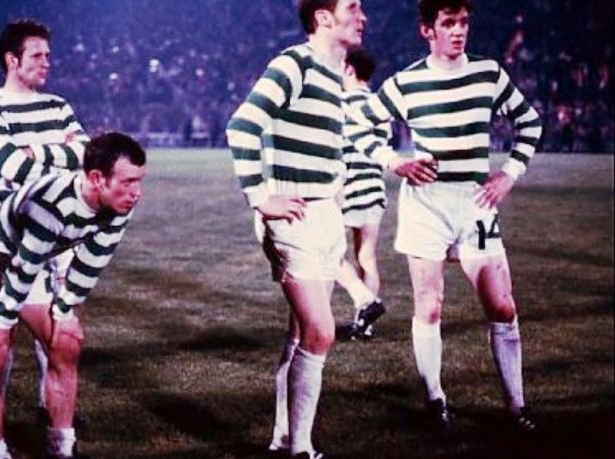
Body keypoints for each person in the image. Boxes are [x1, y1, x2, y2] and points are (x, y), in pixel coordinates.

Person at [347, 0, 543, 436]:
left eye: (464, 22)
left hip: (476, 203)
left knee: (502, 306)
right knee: (430, 306)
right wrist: (393, 161)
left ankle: (517, 407)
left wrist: (509, 174)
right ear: (427, 31)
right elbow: (357, 125)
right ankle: (435, 399)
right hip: (426, 205)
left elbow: (530, 123)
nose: (458, 31)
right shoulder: (407, 82)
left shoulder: (488, 74)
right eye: (448, 23)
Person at [0, 132, 147, 459]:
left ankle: (62, 447)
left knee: (65, 343)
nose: (137, 192)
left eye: (139, 181)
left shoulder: (120, 204)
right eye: (128, 182)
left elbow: (91, 262)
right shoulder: (50, 204)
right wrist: (0, 322)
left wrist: (64, 312)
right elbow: (22, 269)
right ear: (97, 178)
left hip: (28, 260)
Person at [226, 1, 367, 457]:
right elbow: (242, 126)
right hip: (294, 215)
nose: (362, 16)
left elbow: (328, 146)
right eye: (353, 7)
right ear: (324, 18)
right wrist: (260, 198)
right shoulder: (295, 63)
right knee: (321, 332)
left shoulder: (333, 73)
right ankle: (301, 449)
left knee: (301, 335)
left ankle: (284, 438)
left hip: (324, 216)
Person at [0, 19, 90, 424]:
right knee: (3, 335)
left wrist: (34, 151)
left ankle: (49, 404)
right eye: (37, 56)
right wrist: (60, 152)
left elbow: (86, 155)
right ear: (12, 60)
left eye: (48, 56)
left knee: (58, 324)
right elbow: (11, 167)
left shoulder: (58, 105)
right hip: (15, 234)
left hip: (63, 233)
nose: (46, 63)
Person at [337, 46, 389, 341]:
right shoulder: (379, 105)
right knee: (366, 256)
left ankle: (364, 301)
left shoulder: (341, 103)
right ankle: (365, 325)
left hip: (347, 187)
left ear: (349, 69)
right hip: (374, 186)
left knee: (328, 252)